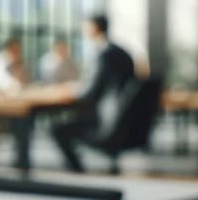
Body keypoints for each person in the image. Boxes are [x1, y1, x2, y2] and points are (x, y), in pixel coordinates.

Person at [51, 14, 136, 172]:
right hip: (125, 119)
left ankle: (77, 172)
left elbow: (91, 91)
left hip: (106, 120)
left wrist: (71, 91)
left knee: (58, 129)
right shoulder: (123, 53)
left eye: (86, 27)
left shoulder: (103, 54)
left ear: (94, 28)